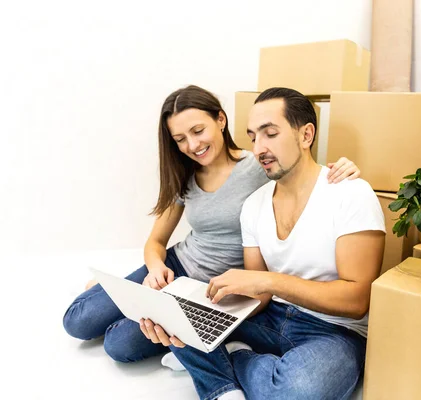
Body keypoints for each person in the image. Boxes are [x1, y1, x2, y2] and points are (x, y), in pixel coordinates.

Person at [62, 85, 360, 363]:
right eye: (180, 140)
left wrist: (344, 166)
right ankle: (114, 291)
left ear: (220, 120)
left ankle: (119, 296)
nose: (192, 145)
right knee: (78, 320)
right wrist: (155, 269)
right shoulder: (186, 176)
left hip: (210, 289)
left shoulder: (259, 165)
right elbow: (155, 242)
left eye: (198, 130)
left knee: (119, 344)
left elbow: (301, 166)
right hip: (173, 268)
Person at [141, 87, 386, 400]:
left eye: (270, 134)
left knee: (297, 391)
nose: (259, 148)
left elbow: (356, 301)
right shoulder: (255, 204)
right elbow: (260, 297)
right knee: (180, 316)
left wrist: (267, 280)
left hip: (333, 331)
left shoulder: (351, 194)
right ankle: (223, 390)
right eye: (253, 137)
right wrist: (199, 313)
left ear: (306, 134)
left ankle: (233, 356)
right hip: (268, 319)